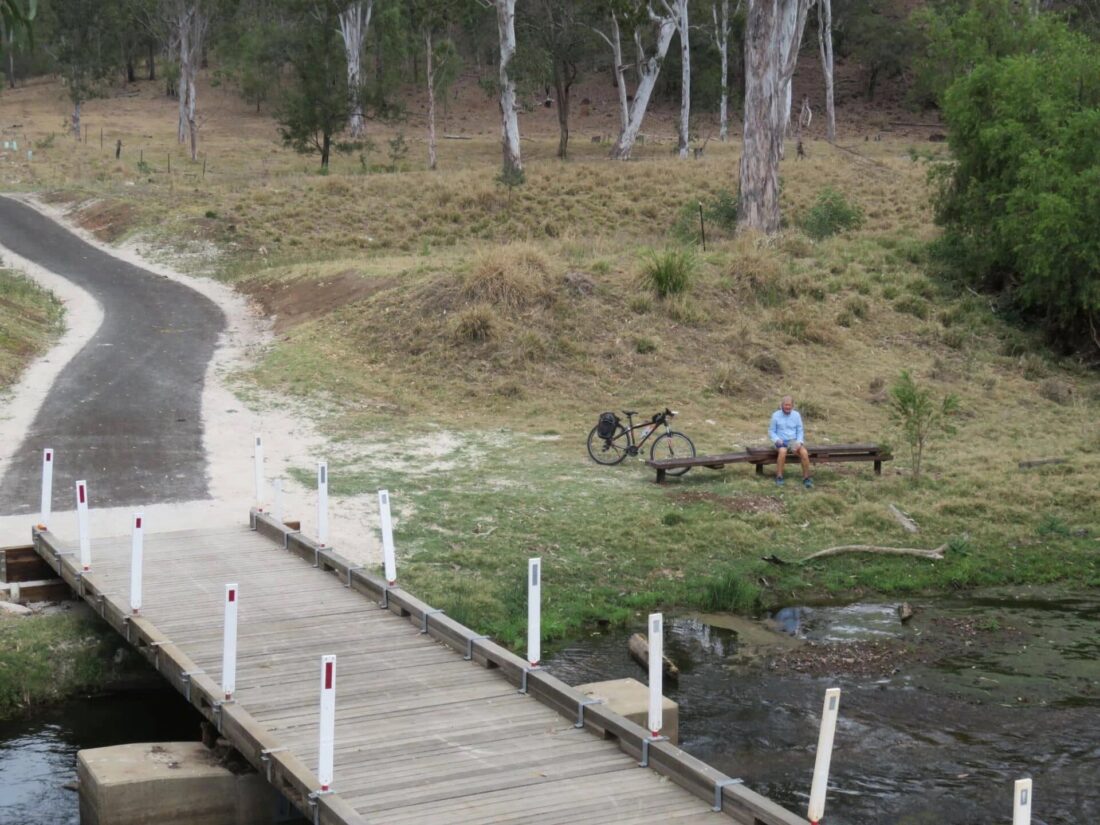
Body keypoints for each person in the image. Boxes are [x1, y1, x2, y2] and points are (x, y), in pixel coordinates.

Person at [768, 396, 813, 489]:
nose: (787, 407)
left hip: (793, 440)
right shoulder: (775, 415)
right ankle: (779, 476)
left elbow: (800, 430)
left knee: (804, 453)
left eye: (789, 405)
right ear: (781, 405)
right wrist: (777, 440)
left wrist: (799, 442)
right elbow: (771, 431)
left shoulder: (796, 415)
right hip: (780, 440)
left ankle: (806, 478)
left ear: (792, 406)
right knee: (782, 451)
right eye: (785, 405)